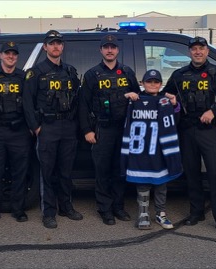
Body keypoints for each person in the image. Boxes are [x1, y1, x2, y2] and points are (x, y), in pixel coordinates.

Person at [163, 36, 216, 237]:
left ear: (207, 51)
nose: (198, 52)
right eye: (194, 49)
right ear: (190, 51)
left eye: (201, 48)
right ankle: (196, 213)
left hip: (209, 132)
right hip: (187, 131)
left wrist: (214, 111)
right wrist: (170, 99)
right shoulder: (179, 75)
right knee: (192, 175)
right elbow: (165, 95)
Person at [23, 30, 82, 229]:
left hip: (68, 127)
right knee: (47, 173)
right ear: (45, 47)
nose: (56, 46)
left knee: (66, 171)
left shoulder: (70, 71)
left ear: (62, 47)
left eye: (59, 43)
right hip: (47, 128)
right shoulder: (36, 72)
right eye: (52, 43)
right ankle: (49, 212)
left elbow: (77, 99)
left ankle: (66, 207)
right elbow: (27, 103)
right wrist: (36, 128)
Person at [79, 34, 140, 225]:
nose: (110, 50)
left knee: (119, 169)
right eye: (106, 47)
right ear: (101, 50)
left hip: (124, 129)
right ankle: (105, 209)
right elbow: (83, 105)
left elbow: (139, 98)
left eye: (113, 47)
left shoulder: (128, 72)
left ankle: (118, 207)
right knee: (102, 170)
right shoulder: (92, 75)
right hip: (102, 128)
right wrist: (87, 130)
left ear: (117, 50)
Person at [0, 41, 33, 226]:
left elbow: (29, 105)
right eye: (7, 53)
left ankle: (18, 209)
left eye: (14, 54)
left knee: (20, 172)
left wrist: (30, 127)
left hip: (19, 131)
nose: (11, 56)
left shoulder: (23, 77)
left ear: (17, 57)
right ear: (1, 55)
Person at [122, 69, 182, 230]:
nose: (153, 84)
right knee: (143, 183)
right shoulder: (134, 100)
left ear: (161, 84)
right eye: (149, 81)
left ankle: (160, 213)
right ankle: (143, 213)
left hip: (159, 150)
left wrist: (175, 104)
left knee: (161, 183)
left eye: (156, 82)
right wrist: (126, 97)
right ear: (143, 83)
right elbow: (119, 114)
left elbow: (176, 120)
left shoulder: (165, 101)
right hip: (141, 151)